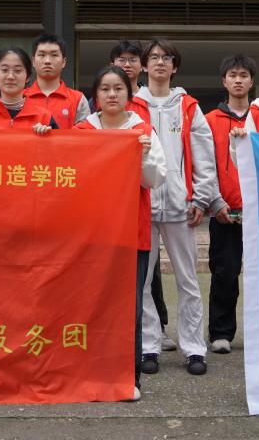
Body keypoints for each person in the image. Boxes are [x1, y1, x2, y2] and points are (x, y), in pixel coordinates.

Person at [75, 65, 166, 401]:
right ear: (95, 95)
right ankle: (89, 373)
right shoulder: (82, 131)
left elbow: (154, 179)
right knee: (91, 303)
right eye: (105, 89)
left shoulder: (142, 130)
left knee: (129, 307)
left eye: (118, 89)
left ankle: (128, 376)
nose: (112, 95)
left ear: (129, 94)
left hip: (132, 231)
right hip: (91, 233)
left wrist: (143, 156)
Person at [136, 38, 221, 377]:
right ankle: (149, 346)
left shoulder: (188, 106)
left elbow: (204, 155)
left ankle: (194, 348)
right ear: (144, 65)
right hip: (142, 205)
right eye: (154, 57)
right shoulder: (132, 105)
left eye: (166, 57)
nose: (160, 62)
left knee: (188, 279)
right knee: (142, 282)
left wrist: (201, 197)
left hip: (181, 206)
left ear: (175, 66)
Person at [110, 38, 169, 341]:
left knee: (146, 278)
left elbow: (155, 172)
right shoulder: (89, 123)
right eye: (121, 59)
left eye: (133, 59)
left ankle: (152, 336)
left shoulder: (143, 113)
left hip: (142, 210)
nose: (112, 95)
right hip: (103, 218)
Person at [204, 54, 254, 355]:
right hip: (224, 209)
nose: (238, 80)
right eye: (233, 75)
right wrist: (215, 201)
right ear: (224, 81)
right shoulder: (210, 120)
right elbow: (204, 164)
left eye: (243, 75)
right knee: (224, 272)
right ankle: (221, 332)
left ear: (252, 81)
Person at [0, 48, 57, 134]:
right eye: (4, 70)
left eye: (17, 71)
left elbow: (59, 144)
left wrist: (46, 138)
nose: (10, 76)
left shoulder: (44, 118)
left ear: (28, 77)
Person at [24, 33, 90, 128]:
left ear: (64, 62)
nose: (47, 61)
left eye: (54, 55)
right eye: (42, 55)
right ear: (33, 61)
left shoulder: (78, 99)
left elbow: (84, 134)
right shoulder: (21, 97)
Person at [110, 39, 153, 123]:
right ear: (112, 66)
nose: (127, 65)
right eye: (121, 60)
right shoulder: (100, 98)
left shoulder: (151, 97)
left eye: (133, 60)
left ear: (142, 66)